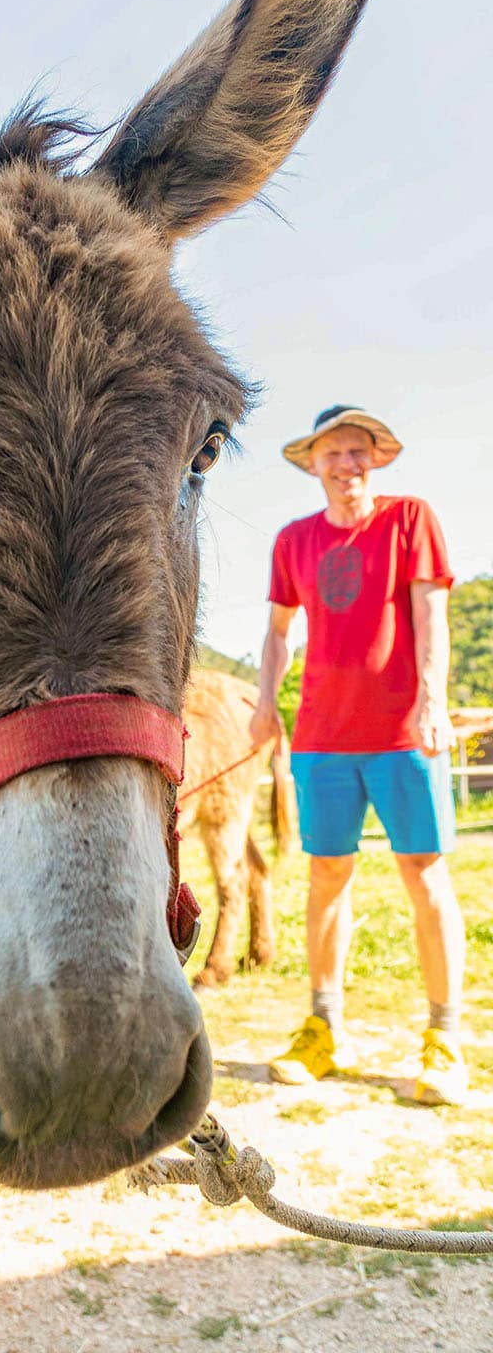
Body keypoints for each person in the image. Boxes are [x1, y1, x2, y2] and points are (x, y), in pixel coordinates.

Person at [249, 405, 466, 1104]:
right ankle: (323, 1029)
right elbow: (280, 633)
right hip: (321, 738)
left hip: (404, 732)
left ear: (376, 460)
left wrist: (432, 701)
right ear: (312, 464)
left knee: (424, 875)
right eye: (335, 454)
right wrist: (263, 705)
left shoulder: (411, 521)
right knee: (325, 878)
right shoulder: (293, 542)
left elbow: (432, 614)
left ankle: (444, 1039)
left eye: (359, 452)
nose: (348, 465)